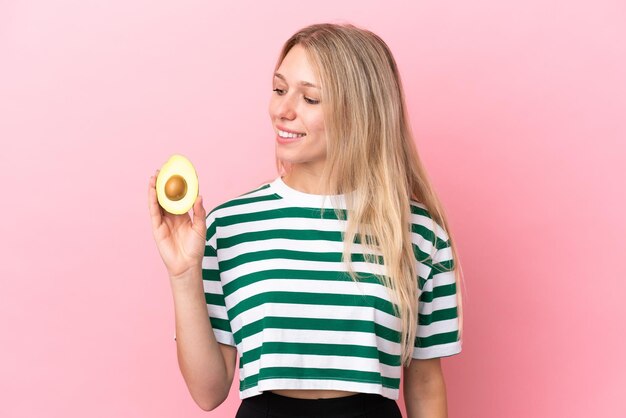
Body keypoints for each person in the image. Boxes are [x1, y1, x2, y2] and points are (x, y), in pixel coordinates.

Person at [148, 22, 464, 418]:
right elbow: (208, 392)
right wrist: (183, 274)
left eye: (310, 98)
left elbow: (426, 383)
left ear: (360, 113)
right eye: (279, 89)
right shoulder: (227, 226)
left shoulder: (419, 234)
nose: (282, 110)